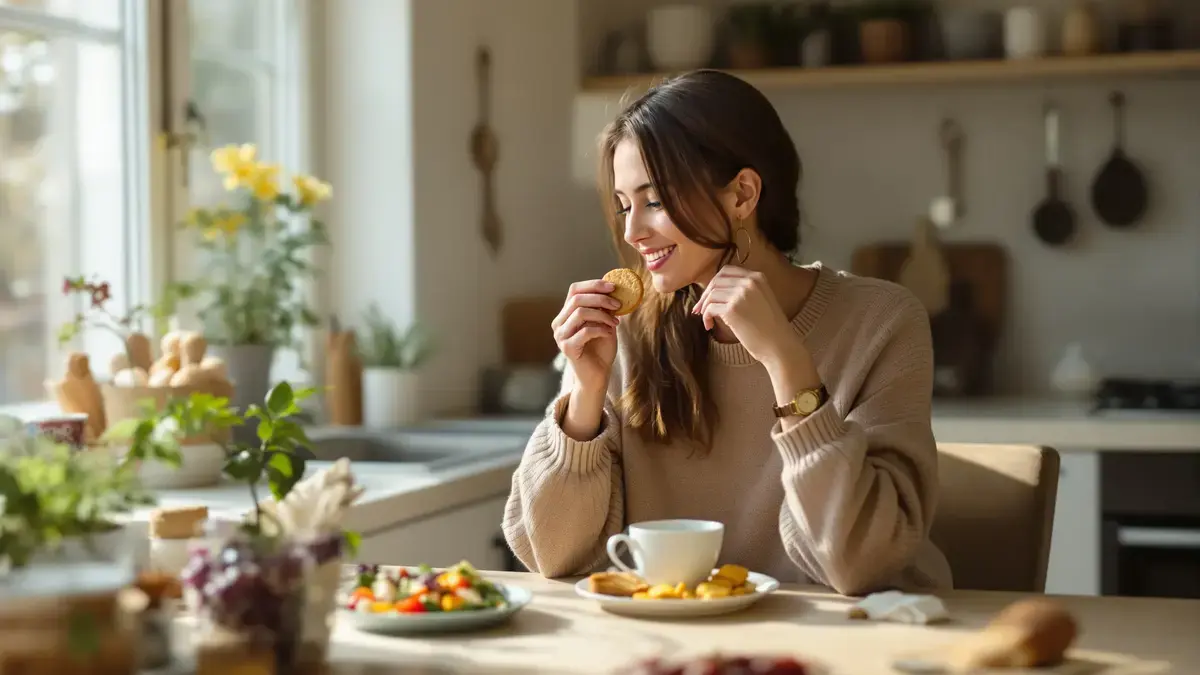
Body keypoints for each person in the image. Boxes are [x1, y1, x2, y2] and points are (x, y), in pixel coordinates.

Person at [501, 70, 952, 596]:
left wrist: (787, 360)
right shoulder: (628, 329)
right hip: (676, 646)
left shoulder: (882, 321)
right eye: (625, 205)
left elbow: (858, 565)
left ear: (742, 194)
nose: (631, 232)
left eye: (654, 201)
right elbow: (550, 556)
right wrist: (584, 396)